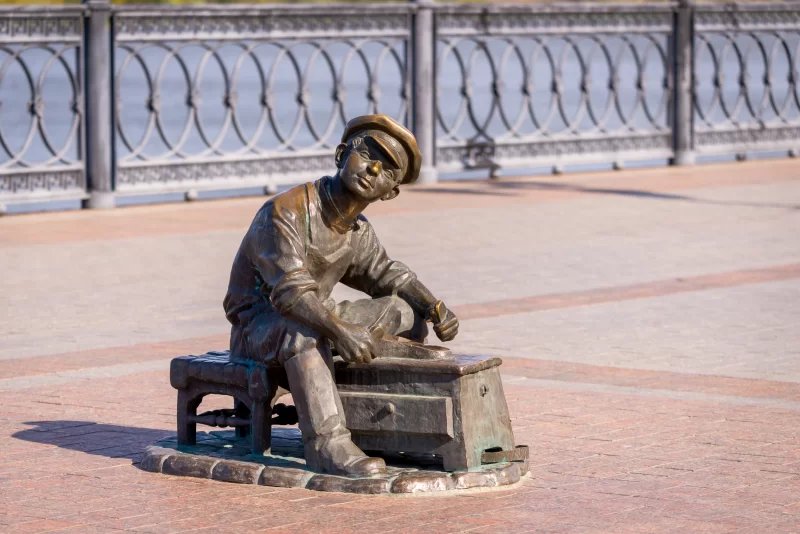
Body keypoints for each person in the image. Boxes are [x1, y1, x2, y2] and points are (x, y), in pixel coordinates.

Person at [223, 115, 459, 477]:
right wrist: (340, 331)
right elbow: (290, 294)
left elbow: (386, 275)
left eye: (387, 170)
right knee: (304, 332)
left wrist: (433, 307)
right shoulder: (285, 211)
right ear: (341, 155)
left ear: (390, 192)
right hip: (259, 328)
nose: (373, 170)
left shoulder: (358, 231)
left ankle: (384, 420)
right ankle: (327, 445)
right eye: (368, 155)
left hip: (317, 313)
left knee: (404, 311)